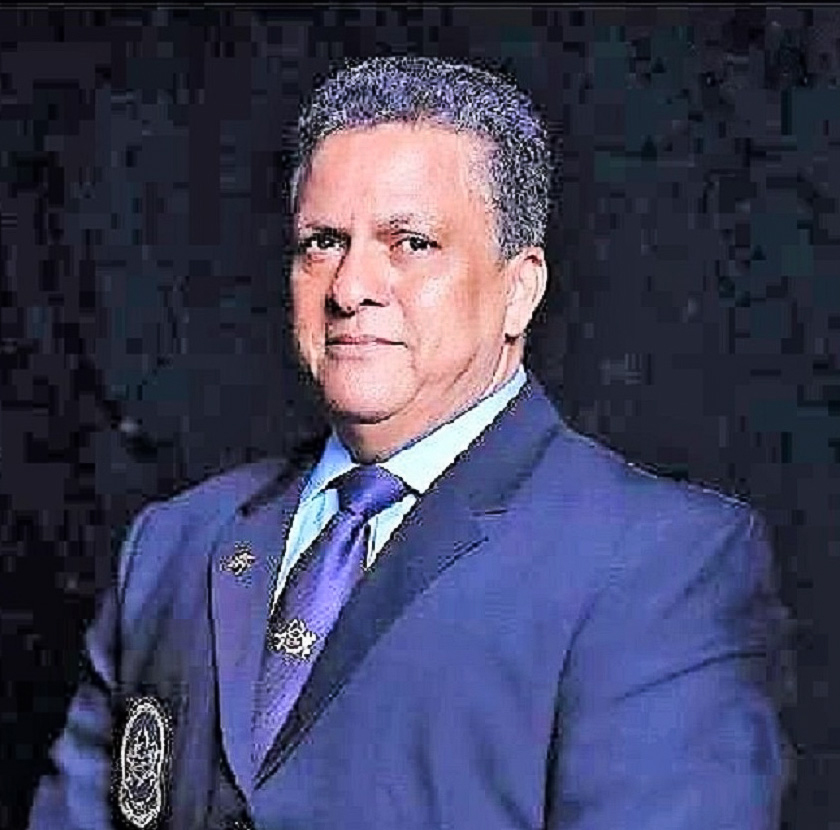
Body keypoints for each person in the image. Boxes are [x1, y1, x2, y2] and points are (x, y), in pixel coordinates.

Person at [28, 55, 787, 830]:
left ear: (519, 288)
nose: (349, 286)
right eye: (323, 242)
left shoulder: (659, 565)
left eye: (411, 243)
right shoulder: (173, 546)